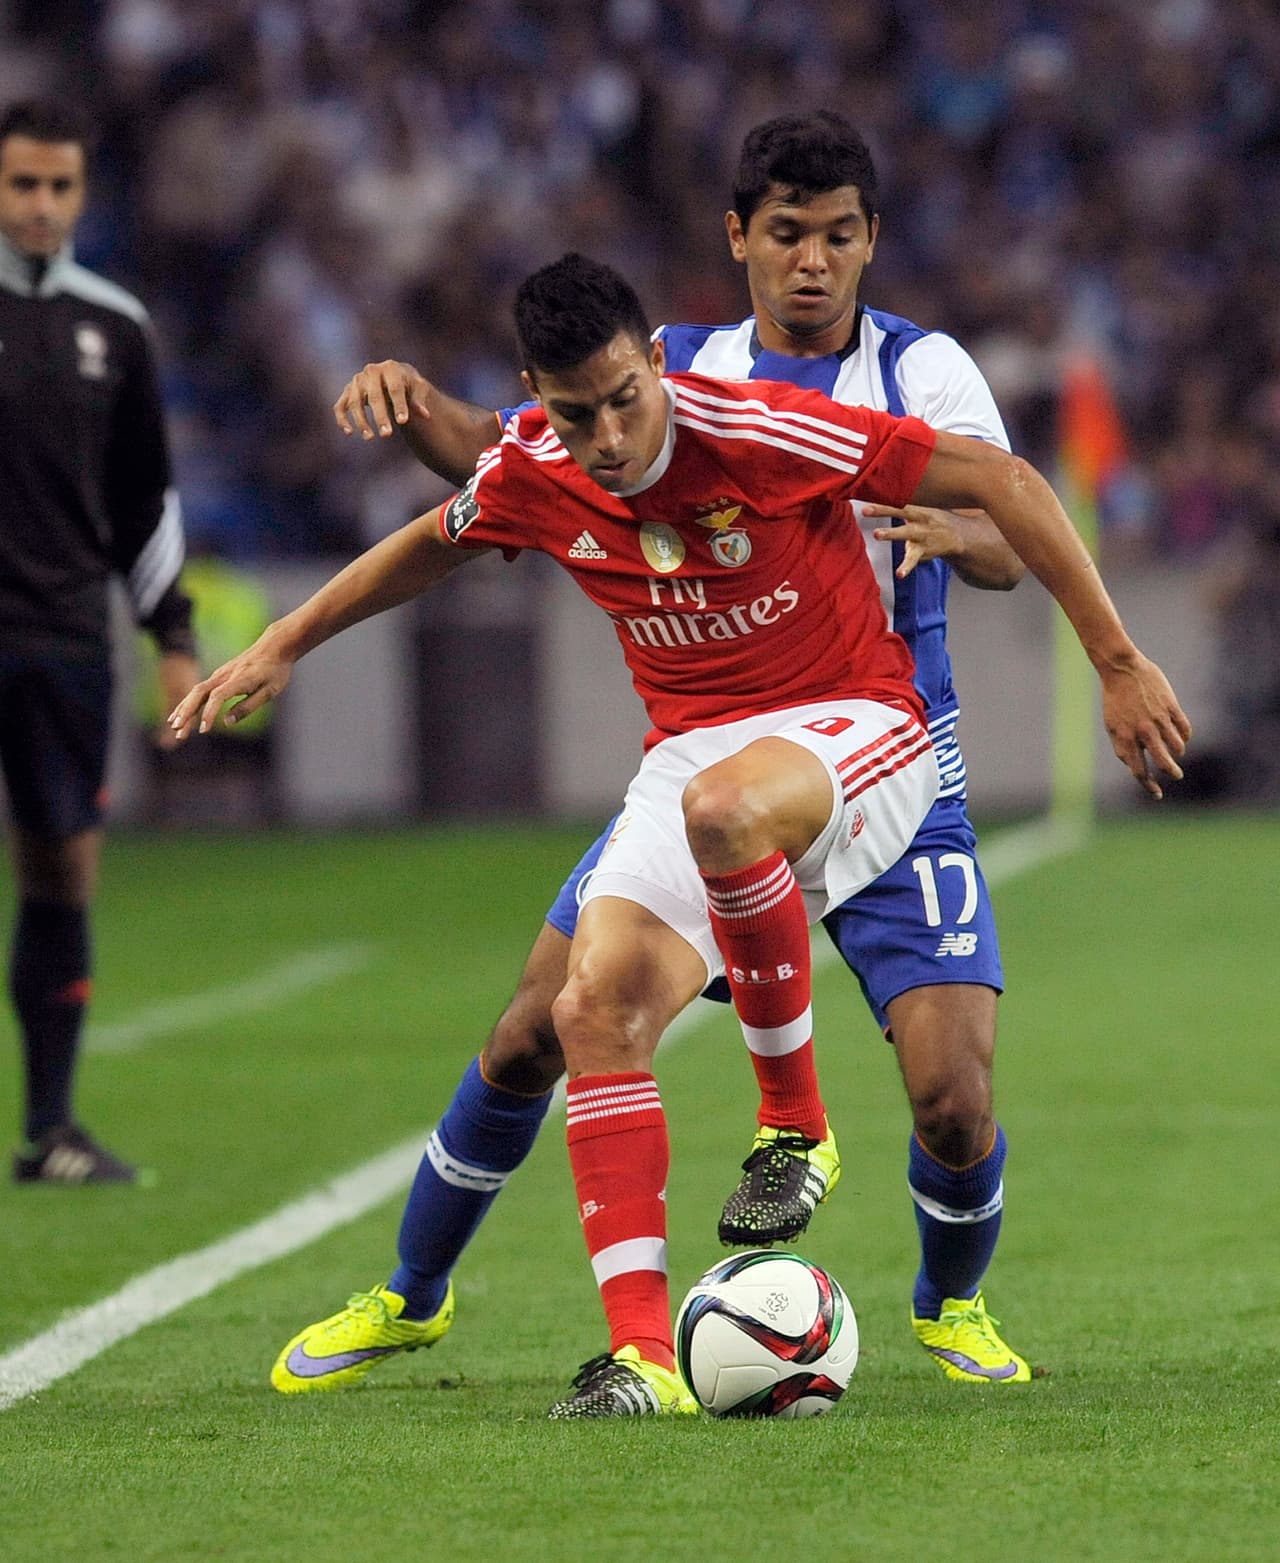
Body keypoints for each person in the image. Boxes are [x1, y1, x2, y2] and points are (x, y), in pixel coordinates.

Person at [172, 252, 1189, 1416]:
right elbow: (436, 537)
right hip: (692, 758)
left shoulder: (765, 424)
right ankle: (641, 1359)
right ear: (535, 396)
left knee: (930, 1069)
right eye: (572, 413)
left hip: (860, 725)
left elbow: (1002, 482)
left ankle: (798, 1132)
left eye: (621, 400)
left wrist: (1114, 660)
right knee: (583, 1009)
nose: (605, 436)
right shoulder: (537, 464)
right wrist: (286, 641)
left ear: (656, 362)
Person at [0, 100, 197, 1184]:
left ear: (80, 193)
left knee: (62, 868)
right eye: (21, 184)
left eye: (57, 187)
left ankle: (49, 1130)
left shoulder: (114, 325)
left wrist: (172, 635)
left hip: (70, 633)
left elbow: (145, 499)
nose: (39, 206)